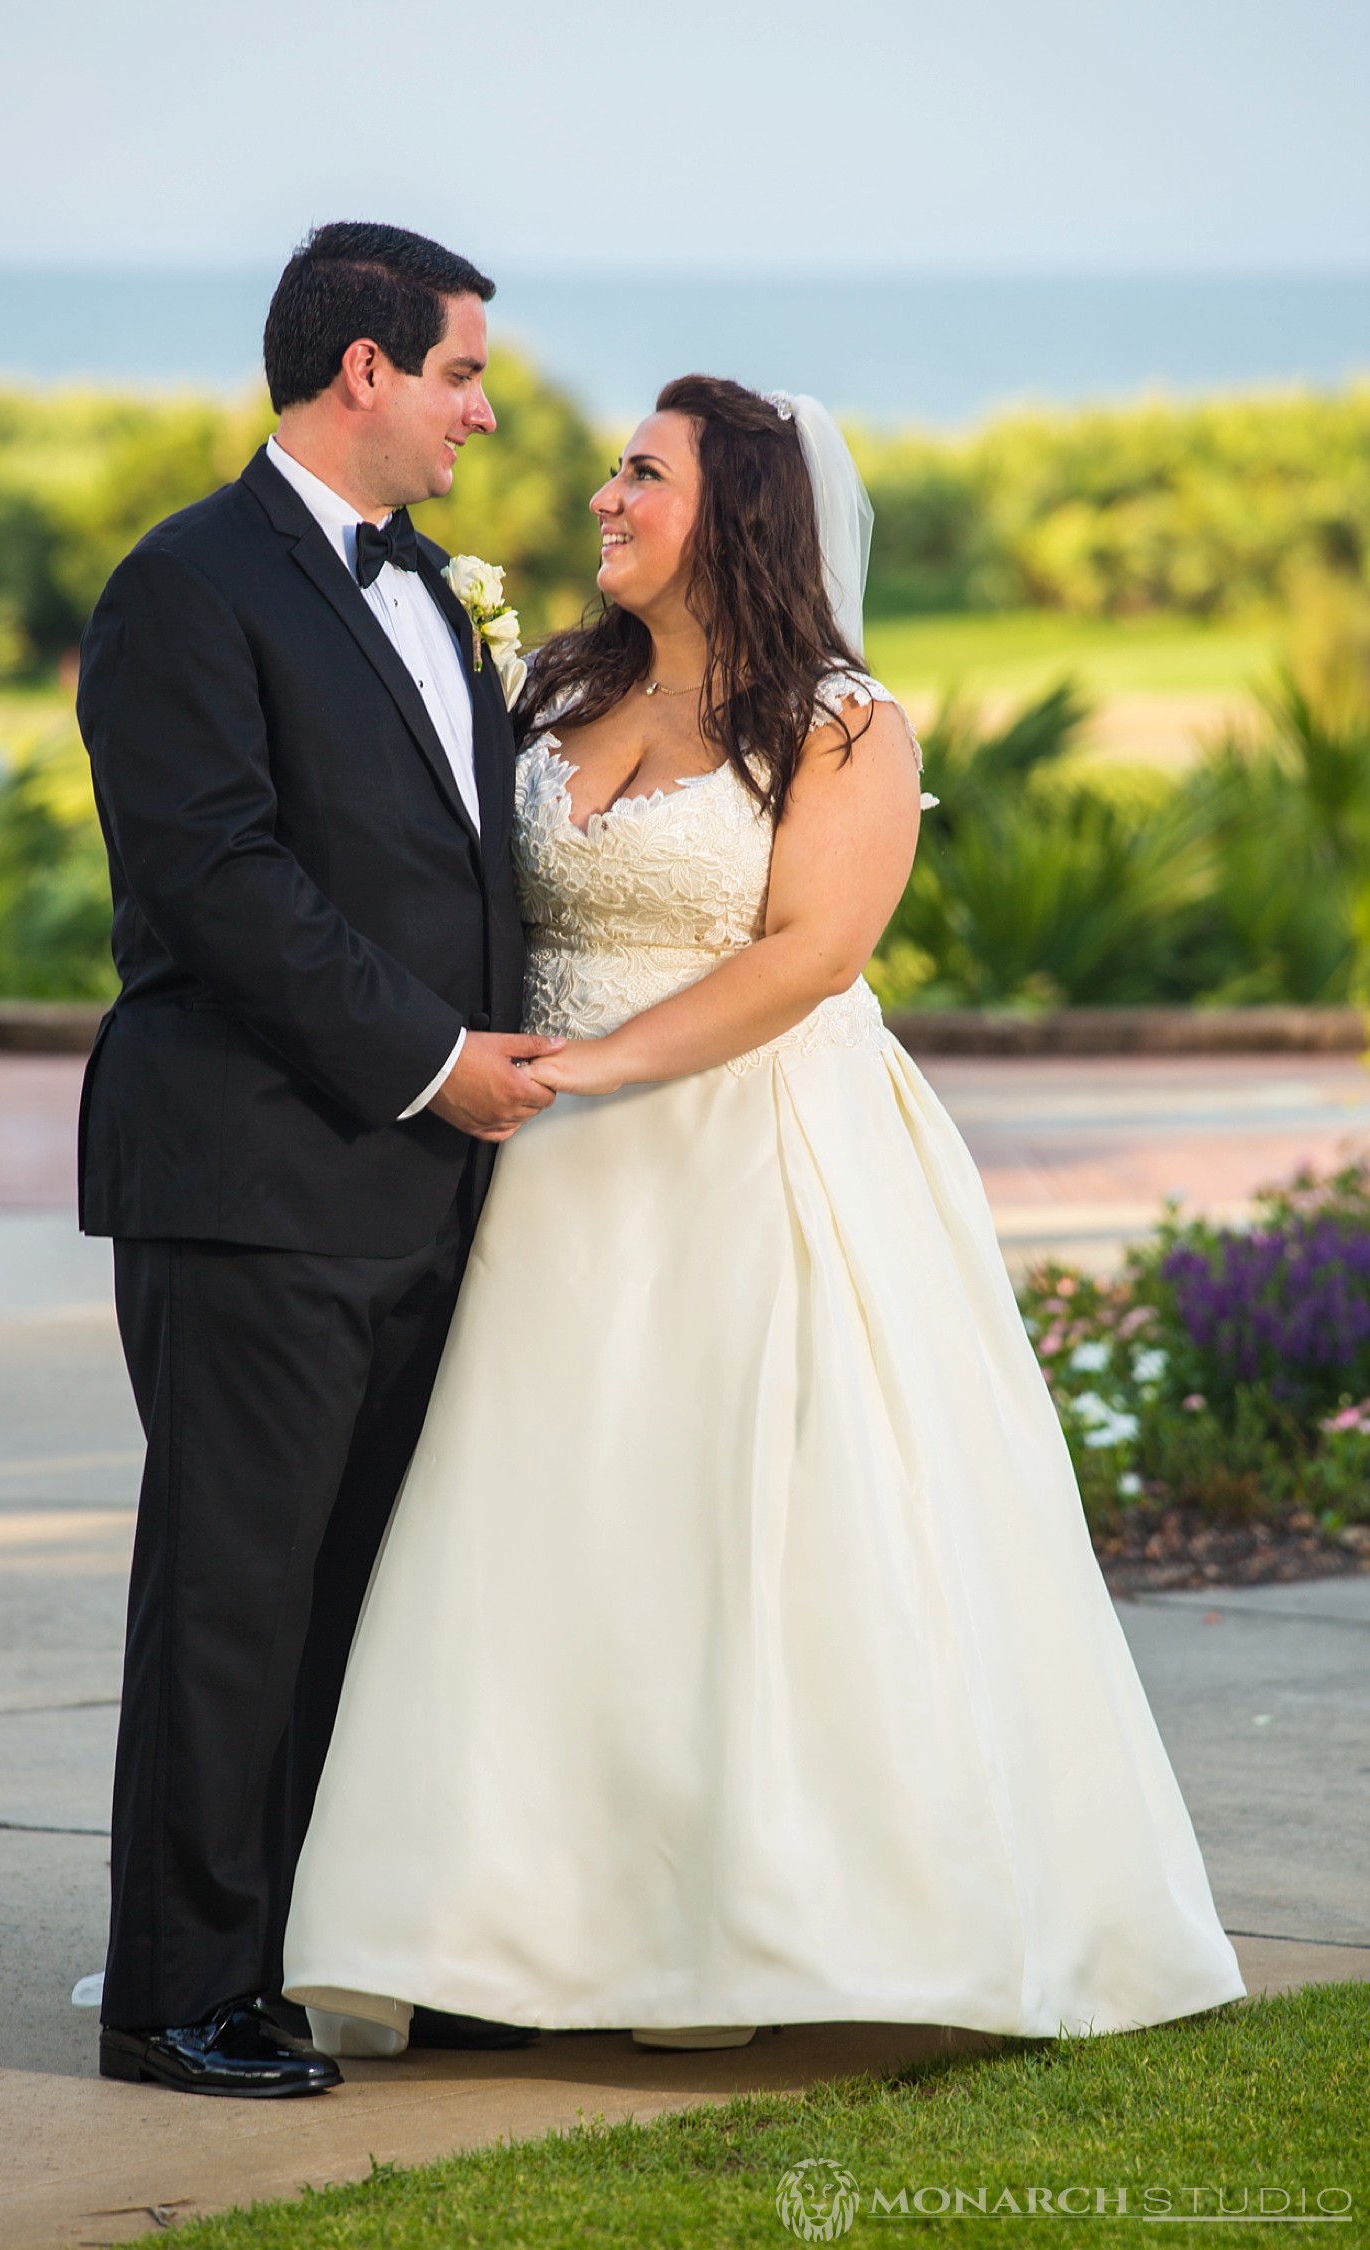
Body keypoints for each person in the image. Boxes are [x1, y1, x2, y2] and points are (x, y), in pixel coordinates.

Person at [281, 375, 1247, 2055]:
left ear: (734, 511)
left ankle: (757, 1924)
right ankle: (504, 1925)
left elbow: (812, 955)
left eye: (640, 475)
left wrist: (594, 1071)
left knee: (743, 1526)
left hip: (747, 1152)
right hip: (542, 1179)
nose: (601, 496)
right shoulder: (557, 685)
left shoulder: (842, 720)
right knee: (535, 1533)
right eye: (611, 468)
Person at [75, 222, 562, 2097]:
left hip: (421, 1195)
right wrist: (436, 1061)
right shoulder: (183, 587)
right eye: (460, 372)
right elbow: (217, 879)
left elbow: (457, 863)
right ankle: (175, 1995)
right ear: (362, 369)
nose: (485, 408)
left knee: (370, 1591)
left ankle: (328, 1953)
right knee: (234, 1594)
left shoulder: (438, 592)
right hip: (253, 1180)